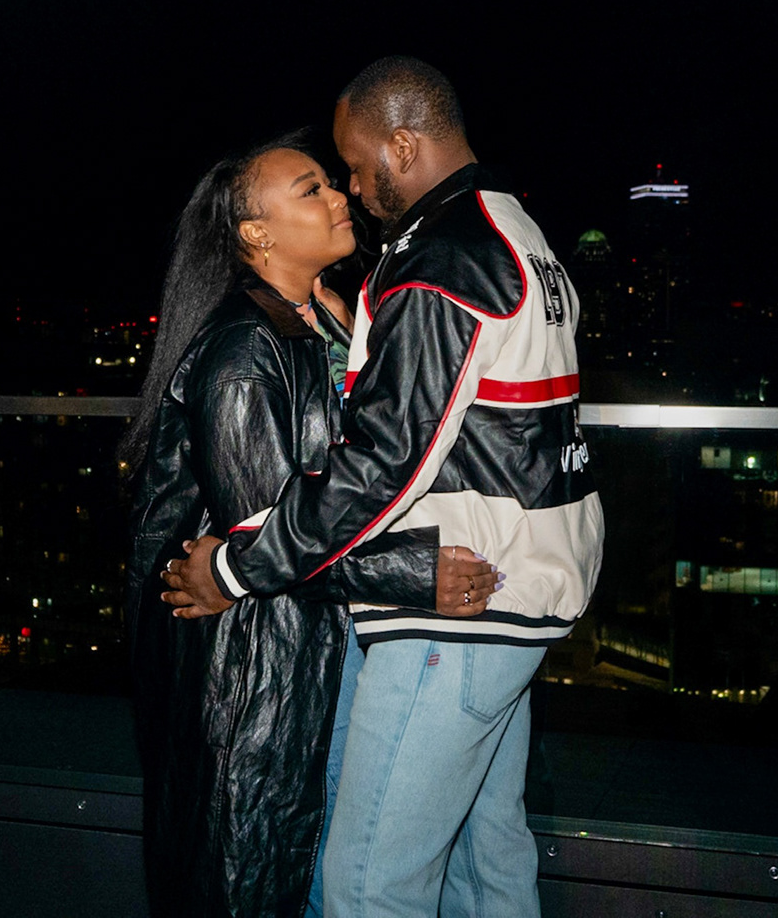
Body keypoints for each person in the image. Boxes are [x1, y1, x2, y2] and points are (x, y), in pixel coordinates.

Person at [162, 57, 604, 917]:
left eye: (356, 168)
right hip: (515, 589)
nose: (354, 190)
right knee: (486, 867)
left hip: (464, 611)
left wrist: (234, 569)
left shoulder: (442, 258)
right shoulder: (513, 228)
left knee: (370, 886)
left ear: (402, 146)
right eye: (326, 182)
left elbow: (382, 461)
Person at [122, 132, 501, 918]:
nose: (339, 197)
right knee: (260, 879)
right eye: (311, 190)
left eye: (331, 182)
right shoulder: (242, 350)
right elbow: (267, 533)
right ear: (255, 233)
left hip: (314, 641)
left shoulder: (324, 319)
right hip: (254, 663)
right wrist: (416, 573)